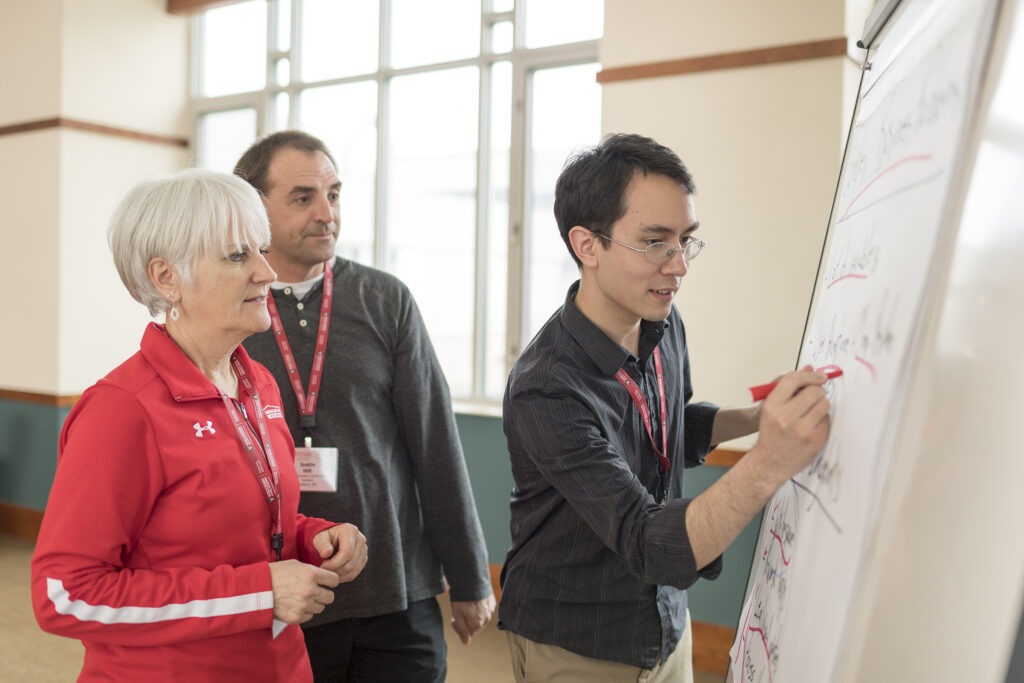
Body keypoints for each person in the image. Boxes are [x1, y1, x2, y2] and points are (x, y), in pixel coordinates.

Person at [498, 133, 832, 682]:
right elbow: (647, 541)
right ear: (587, 246)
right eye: (656, 242)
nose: (679, 267)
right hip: (581, 647)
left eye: (685, 241)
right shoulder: (547, 387)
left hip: (667, 622)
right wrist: (770, 459)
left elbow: (675, 427)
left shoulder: (663, 321)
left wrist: (755, 419)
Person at [30, 169, 368, 682]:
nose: (266, 273)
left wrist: (314, 537)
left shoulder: (259, 385)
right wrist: (258, 593)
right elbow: (67, 595)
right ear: (167, 278)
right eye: (238, 256)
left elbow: (238, 532)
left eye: (260, 249)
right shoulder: (122, 410)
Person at [234, 131, 494, 682]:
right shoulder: (231, 309)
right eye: (303, 197)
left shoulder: (385, 299)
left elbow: (435, 444)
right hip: (283, 595)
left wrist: (470, 579)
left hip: (396, 590)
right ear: (254, 206)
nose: (326, 213)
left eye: (335, 194)